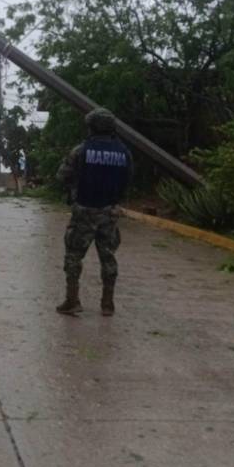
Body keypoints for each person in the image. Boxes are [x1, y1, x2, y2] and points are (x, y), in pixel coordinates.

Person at [55, 108, 133, 316]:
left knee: (73, 256)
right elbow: (127, 180)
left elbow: (62, 176)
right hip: (110, 212)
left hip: (84, 211)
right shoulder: (124, 153)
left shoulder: (82, 150)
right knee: (108, 258)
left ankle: (72, 300)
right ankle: (108, 304)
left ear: (92, 126)